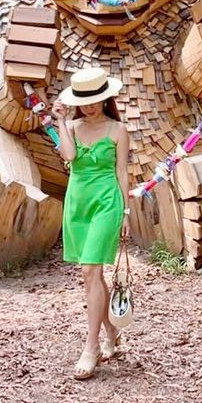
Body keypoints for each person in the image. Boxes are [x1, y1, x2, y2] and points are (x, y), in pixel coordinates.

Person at [52, 66, 130, 380]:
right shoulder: (69, 125)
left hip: (107, 201)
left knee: (90, 270)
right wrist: (60, 121)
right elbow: (69, 157)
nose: (90, 105)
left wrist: (126, 212)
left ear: (105, 97)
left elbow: (123, 172)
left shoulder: (117, 130)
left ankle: (91, 346)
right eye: (84, 100)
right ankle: (112, 332)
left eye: (96, 99)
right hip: (78, 203)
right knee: (92, 275)